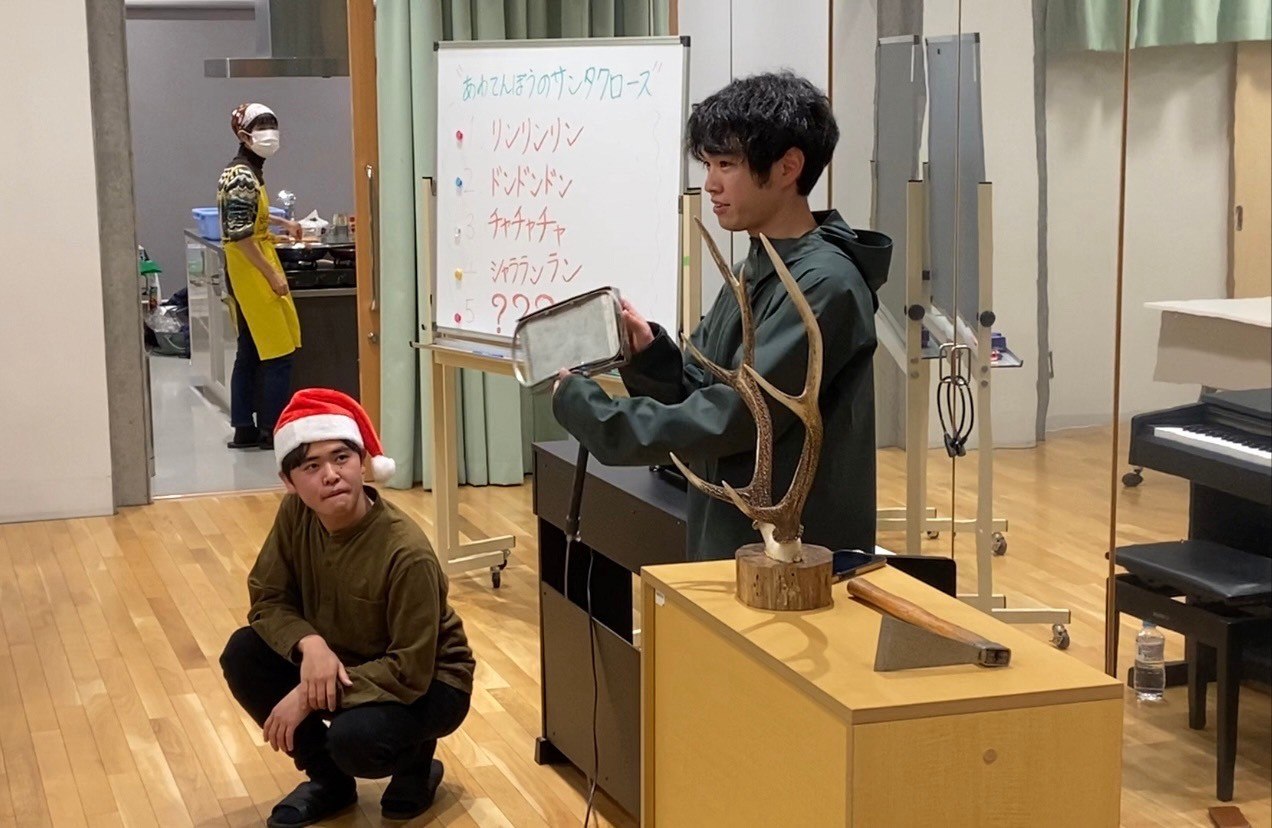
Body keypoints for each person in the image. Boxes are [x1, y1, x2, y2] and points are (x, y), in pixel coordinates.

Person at [552, 72, 891, 560]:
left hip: (794, 563)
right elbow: (703, 389)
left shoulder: (825, 285)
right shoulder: (756, 266)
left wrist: (596, 417)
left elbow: (737, 418)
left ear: (788, 167)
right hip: (735, 542)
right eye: (708, 164)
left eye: (727, 164)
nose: (710, 184)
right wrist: (650, 356)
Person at [219, 388, 474, 827]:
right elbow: (267, 597)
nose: (331, 475)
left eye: (342, 458)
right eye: (311, 466)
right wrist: (310, 644)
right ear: (288, 482)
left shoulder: (406, 552)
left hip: (430, 682)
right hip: (343, 657)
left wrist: (306, 696)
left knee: (355, 740)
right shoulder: (295, 515)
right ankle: (330, 783)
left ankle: (416, 760)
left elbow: (410, 669)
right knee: (243, 653)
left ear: (363, 463)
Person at [218, 102, 303, 450]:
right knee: (279, 354)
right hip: (250, 271)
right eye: (261, 127)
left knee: (250, 351)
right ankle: (273, 430)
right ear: (243, 135)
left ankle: (244, 428)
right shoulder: (241, 175)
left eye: (272, 126)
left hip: (247, 268)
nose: (270, 134)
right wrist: (271, 276)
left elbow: (247, 219)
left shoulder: (248, 171)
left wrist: (281, 223)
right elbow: (241, 235)